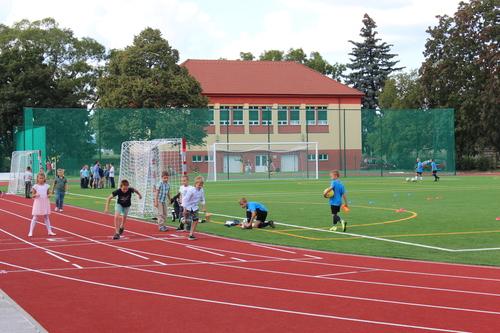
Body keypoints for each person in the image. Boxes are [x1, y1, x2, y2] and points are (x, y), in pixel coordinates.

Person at [181, 176, 206, 240]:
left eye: (201, 185)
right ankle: (182, 221)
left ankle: (191, 234)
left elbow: (202, 199)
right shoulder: (191, 190)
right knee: (188, 221)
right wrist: (184, 209)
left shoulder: (201, 190)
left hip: (195, 207)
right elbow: (185, 200)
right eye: (199, 185)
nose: (200, 186)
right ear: (195, 183)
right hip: (188, 207)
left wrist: (203, 208)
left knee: (195, 220)